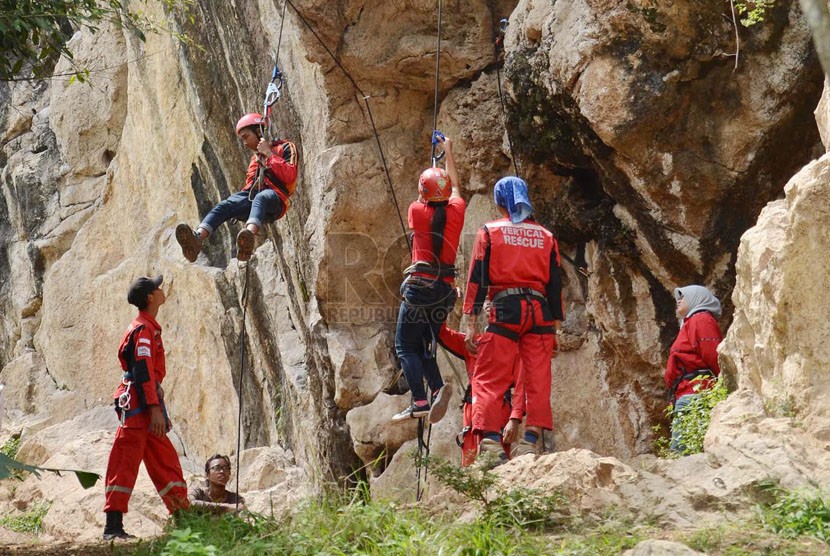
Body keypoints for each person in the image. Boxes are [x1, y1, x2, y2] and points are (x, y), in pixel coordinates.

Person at [462, 176, 564, 460]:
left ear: (501, 201)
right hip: (540, 312)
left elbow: (477, 278)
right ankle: (530, 441)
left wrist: (471, 321)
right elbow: (555, 284)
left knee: (488, 377)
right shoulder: (546, 236)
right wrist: (555, 327)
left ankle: (493, 443)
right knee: (538, 378)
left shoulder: (490, 232)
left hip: (507, 309)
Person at [103, 275, 189, 540]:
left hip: (147, 402)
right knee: (125, 459)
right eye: (157, 287)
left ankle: (184, 518)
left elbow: (149, 373)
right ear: (150, 297)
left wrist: (157, 406)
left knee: (165, 459)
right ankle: (113, 527)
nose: (162, 290)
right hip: (139, 405)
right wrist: (154, 409)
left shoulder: (149, 327)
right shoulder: (142, 330)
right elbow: (142, 371)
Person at [392, 136, 465, 424]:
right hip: (444, 292)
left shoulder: (416, 211)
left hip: (420, 287)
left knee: (404, 346)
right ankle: (436, 388)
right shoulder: (457, 211)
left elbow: (428, 199)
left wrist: (430, 181)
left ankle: (420, 400)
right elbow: (455, 188)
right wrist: (448, 152)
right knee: (421, 341)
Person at [175, 113, 298, 263]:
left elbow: (290, 175)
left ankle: (249, 235)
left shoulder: (285, 147)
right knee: (226, 205)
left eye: (246, 137)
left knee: (262, 197)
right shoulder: (255, 159)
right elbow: (250, 188)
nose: (244, 143)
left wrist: (269, 155)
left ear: (258, 131)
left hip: (276, 200)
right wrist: (237, 206)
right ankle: (198, 238)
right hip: (256, 199)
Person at [439, 323, 524, 466]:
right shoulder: (472, 343)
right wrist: (442, 304)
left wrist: (515, 418)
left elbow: (522, 386)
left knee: (498, 467)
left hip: (499, 411)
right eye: (486, 300)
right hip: (473, 410)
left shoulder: (514, 347)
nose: (490, 304)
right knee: (471, 463)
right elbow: (442, 333)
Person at [665, 285, 723, 453]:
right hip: (686, 393)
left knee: (681, 453)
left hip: (695, 393)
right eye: (678, 298)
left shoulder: (701, 319)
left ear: (698, 297)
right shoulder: (691, 323)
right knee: (685, 450)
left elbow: (713, 354)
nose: (679, 300)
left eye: (683, 296)